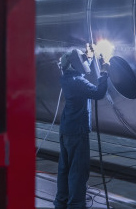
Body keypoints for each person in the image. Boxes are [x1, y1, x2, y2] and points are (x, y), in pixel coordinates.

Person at [54, 45, 108, 209]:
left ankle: (61, 203)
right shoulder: (78, 82)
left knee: (65, 169)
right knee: (78, 171)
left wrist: (89, 57)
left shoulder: (67, 78)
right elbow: (99, 93)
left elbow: (80, 68)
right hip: (77, 131)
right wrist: (105, 72)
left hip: (66, 130)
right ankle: (76, 205)